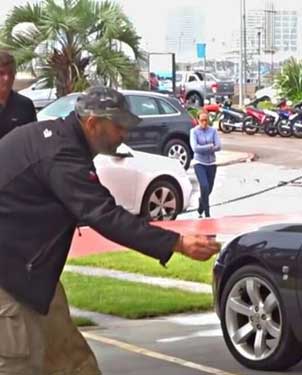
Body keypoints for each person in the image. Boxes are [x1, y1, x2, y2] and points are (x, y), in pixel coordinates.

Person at [0, 86, 221, 374]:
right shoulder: (60, 154)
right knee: (19, 363)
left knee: (73, 362)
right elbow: (104, 215)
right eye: (119, 126)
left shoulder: (58, 141)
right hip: (8, 279)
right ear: (92, 123)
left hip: (31, 273)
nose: (124, 134)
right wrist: (177, 243)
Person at [190, 111, 222, 218]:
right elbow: (195, 148)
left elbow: (218, 146)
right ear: (198, 120)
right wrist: (209, 146)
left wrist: (204, 147)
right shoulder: (194, 132)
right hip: (199, 163)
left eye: (206, 120)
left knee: (209, 189)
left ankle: (201, 204)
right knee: (204, 186)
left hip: (211, 163)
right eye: (202, 120)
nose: (204, 122)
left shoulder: (213, 131)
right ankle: (207, 212)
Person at [0, 50, 36, 139]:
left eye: (11, 73)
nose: (7, 78)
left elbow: (33, 140)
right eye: (1, 73)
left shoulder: (25, 105)